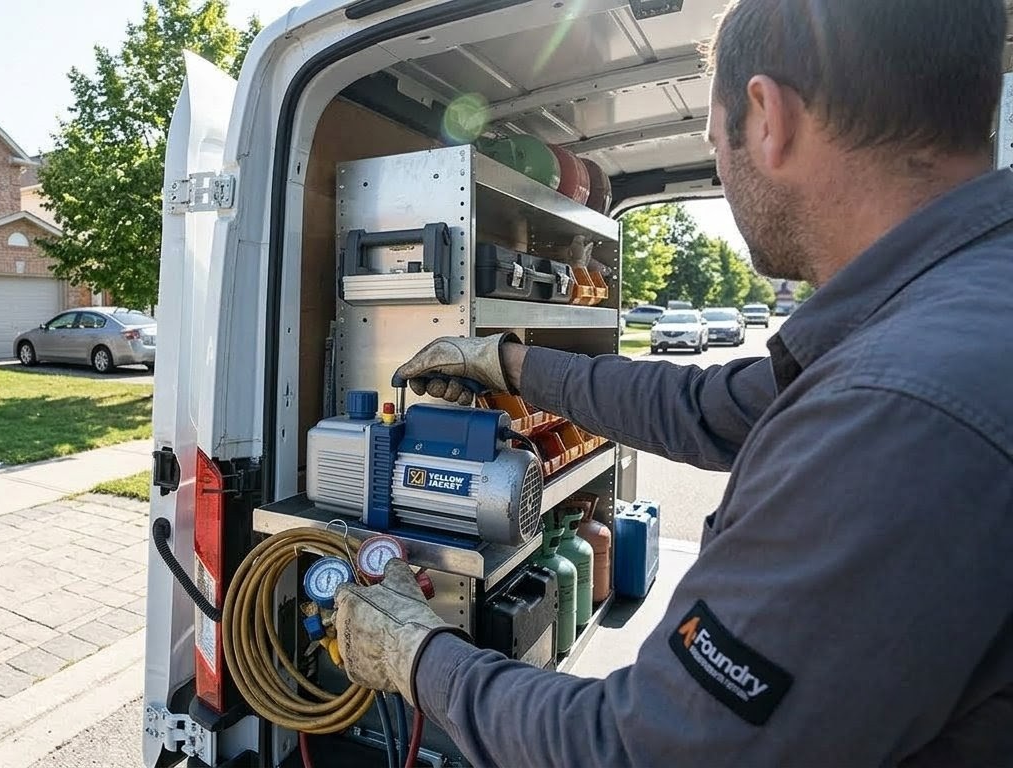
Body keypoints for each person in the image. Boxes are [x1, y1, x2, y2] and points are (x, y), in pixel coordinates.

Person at [332, 1, 1013, 765]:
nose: (722, 168)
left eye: (714, 140)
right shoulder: (946, 317)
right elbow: (703, 409)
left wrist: (418, 657)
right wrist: (510, 364)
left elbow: (638, 750)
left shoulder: (898, 410)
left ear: (766, 118)